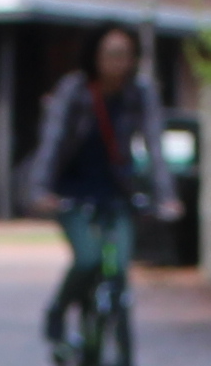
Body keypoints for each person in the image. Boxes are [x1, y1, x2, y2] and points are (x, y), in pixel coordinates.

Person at [32, 25, 162, 347]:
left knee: (118, 267)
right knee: (88, 258)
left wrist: (166, 196)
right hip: (72, 191)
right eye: (112, 54)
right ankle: (59, 310)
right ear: (95, 56)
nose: (119, 63)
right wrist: (40, 189)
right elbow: (53, 141)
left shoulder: (139, 92)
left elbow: (155, 145)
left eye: (126, 55)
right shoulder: (75, 90)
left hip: (117, 192)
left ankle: (122, 360)